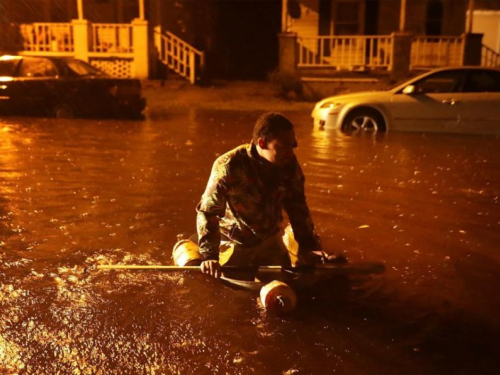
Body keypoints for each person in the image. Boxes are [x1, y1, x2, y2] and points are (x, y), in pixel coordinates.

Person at [196, 112, 323, 278]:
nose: (291, 153)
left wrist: (308, 246)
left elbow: (297, 207)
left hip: (271, 239)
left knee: (290, 281)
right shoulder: (228, 166)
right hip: (236, 243)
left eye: (293, 146)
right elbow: (208, 212)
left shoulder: (289, 165)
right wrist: (209, 256)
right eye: (284, 146)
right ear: (262, 143)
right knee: (233, 291)